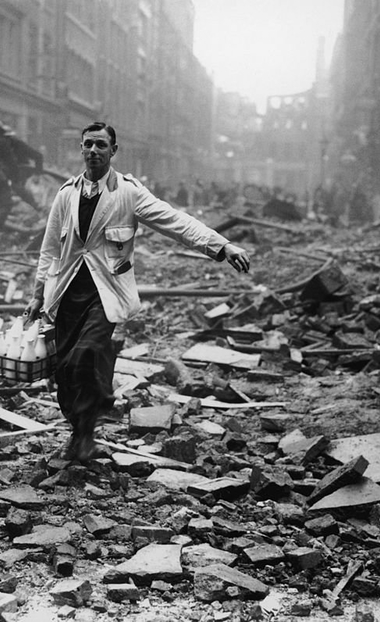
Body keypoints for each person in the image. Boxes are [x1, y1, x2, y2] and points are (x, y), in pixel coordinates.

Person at [23, 121, 251, 461]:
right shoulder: (66, 194)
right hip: (67, 292)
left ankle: (86, 433)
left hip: (106, 293)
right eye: (88, 145)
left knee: (85, 355)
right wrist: (38, 294)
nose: (93, 151)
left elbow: (174, 221)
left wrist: (221, 246)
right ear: (80, 149)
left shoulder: (127, 192)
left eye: (101, 145)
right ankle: (79, 428)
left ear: (113, 151)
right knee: (66, 370)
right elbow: (49, 250)